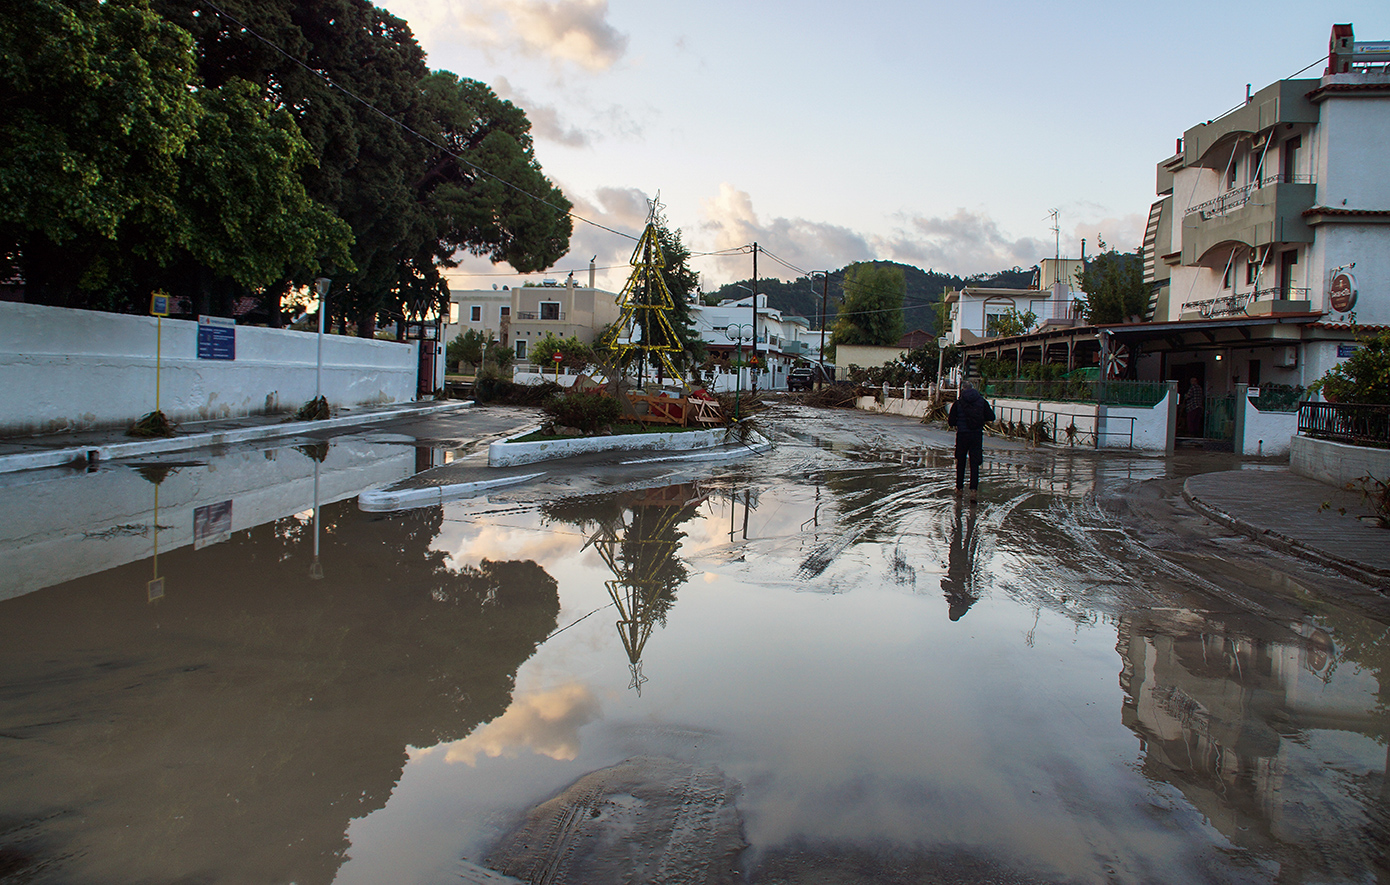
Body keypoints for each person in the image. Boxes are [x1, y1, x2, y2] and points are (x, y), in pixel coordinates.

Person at [947, 383, 995, 497]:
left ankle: (959, 488)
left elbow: (951, 421)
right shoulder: (982, 402)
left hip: (962, 435)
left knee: (961, 461)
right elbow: (991, 417)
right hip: (976, 435)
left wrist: (959, 421)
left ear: (962, 390)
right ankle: (974, 490)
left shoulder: (958, 403)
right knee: (974, 462)